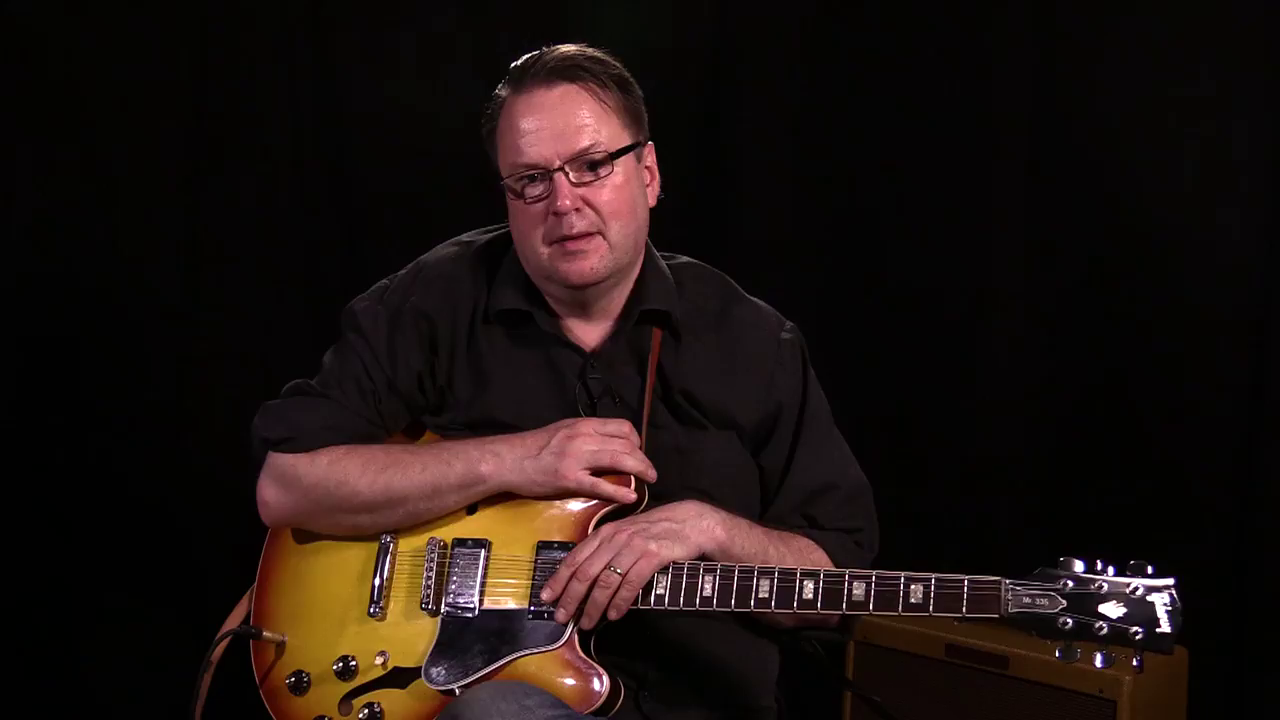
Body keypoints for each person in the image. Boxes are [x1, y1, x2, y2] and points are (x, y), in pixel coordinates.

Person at [250, 43, 878, 720]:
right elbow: (287, 484)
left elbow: (839, 581)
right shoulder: (436, 301)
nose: (563, 202)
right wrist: (515, 460)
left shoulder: (754, 342)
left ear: (648, 174)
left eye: (592, 165)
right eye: (531, 180)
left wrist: (713, 530)